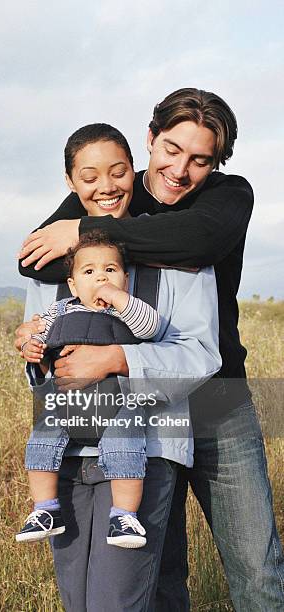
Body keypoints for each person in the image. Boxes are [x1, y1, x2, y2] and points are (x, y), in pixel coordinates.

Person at [17, 88, 284, 610]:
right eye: (170, 150)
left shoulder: (228, 196)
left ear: (216, 163)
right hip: (136, 409)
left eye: (199, 158)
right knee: (156, 566)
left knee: (256, 564)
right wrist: (37, 335)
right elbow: (39, 260)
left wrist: (89, 232)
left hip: (215, 398)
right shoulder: (115, 188)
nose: (180, 169)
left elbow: (199, 240)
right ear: (149, 140)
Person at [17, 228, 159, 548]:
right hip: (67, 399)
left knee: (126, 445)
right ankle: (45, 509)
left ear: (125, 277)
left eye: (110, 270)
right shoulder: (60, 310)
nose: (100, 278)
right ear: (72, 284)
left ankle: (124, 516)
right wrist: (32, 346)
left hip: (119, 399)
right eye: (89, 271)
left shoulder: (127, 310)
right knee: (42, 436)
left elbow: (151, 326)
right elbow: (40, 338)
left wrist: (118, 297)